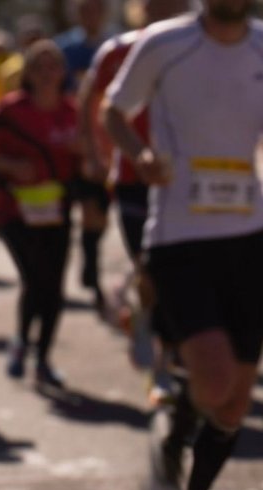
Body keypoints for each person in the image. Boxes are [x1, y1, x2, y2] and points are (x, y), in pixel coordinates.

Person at [103, 0, 263, 490]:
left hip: (250, 237)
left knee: (235, 401)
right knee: (215, 377)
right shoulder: (165, 45)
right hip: (180, 238)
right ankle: (171, 439)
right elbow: (114, 110)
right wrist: (140, 153)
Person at [78, 0, 191, 404]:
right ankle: (159, 361)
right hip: (132, 178)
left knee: (178, 270)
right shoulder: (118, 51)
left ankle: (169, 340)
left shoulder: (196, 47)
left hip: (183, 179)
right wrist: (93, 152)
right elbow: (90, 102)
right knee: (150, 265)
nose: (166, 7)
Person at [0, 40, 80, 391]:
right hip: (15, 211)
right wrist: (12, 165)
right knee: (37, 279)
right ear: (27, 73)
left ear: (64, 72)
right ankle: (23, 342)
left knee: (53, 288)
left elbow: (86, 158)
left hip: (57, 212)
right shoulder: (10, 110)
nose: (47, 72)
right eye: (39, 65)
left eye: (54, 64)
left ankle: (42, 358)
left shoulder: (72, 112)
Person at [56, 0, 113, 313]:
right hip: (67, 146)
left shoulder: (115, 47)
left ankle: (90, 264)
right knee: (69, 212)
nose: (91, 14)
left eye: (96, 8)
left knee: (98, 213)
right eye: (85, 9)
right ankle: (71, 275)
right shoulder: (64, 49)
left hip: (103, 144)